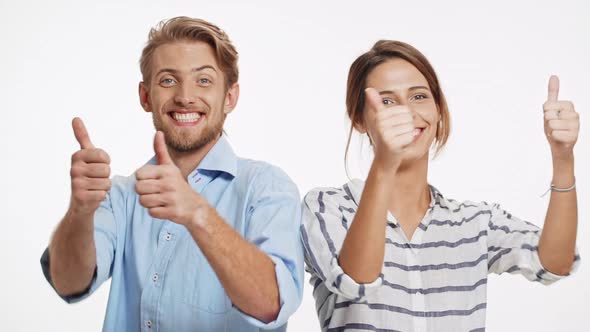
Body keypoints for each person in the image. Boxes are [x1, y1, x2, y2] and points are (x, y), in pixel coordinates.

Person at [41, 16, 303, 331]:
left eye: (203, 80)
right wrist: (80, 211)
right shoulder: (121, 195)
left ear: (230, 97)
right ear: (145, 96)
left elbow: (272, 303)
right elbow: (68, 283)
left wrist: (198, 213)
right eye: (168, 80)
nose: (185, 96)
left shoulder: (266, 188)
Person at [301, 40, 580, 331]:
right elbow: (357, 280)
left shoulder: (474, 222)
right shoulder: (326, 207)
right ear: (359, 118)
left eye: (419, 96)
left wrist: (563, 158)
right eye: (386, 101)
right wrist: (385, 165)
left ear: (438, 110)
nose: (406, 112)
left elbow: (555, 263)